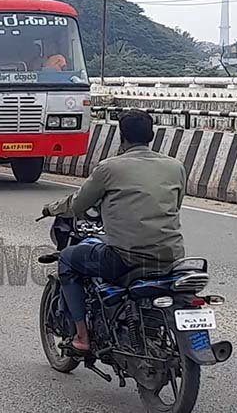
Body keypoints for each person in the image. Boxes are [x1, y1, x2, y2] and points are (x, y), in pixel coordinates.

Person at [41, 110, 187, 352]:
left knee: (68, 258)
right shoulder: (175, 167)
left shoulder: (109, 168)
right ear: (151, 135)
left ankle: (82, 338)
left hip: (126, 257)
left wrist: (51, 209)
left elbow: (78, 204)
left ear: (123, 137)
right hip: (170, 256)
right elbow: (176, 203)